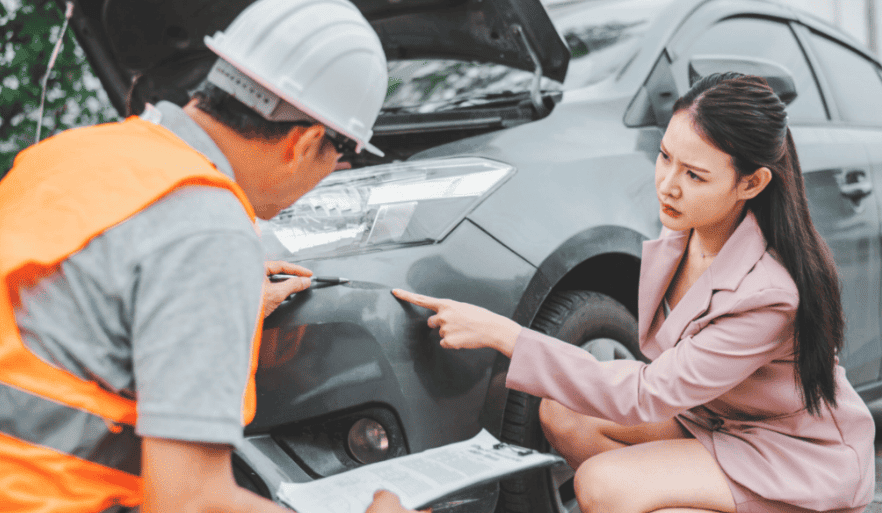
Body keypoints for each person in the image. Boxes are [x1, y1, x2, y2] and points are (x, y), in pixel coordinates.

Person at [0, 0, 417, 511]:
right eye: (342, 155)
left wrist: (205, 310)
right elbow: (189, 501)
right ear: (304, 144)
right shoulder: (209, 230)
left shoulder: (72, 154)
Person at [392, 73, 875, 512]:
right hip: (716, 424)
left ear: (751, 182)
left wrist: (507, 335)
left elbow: (647, 393)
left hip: (791, 455)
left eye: (695, 175)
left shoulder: (768, 293)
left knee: (606, 484)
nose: (667, 185)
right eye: (666, 157)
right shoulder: (686, 236)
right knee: (563, 413)